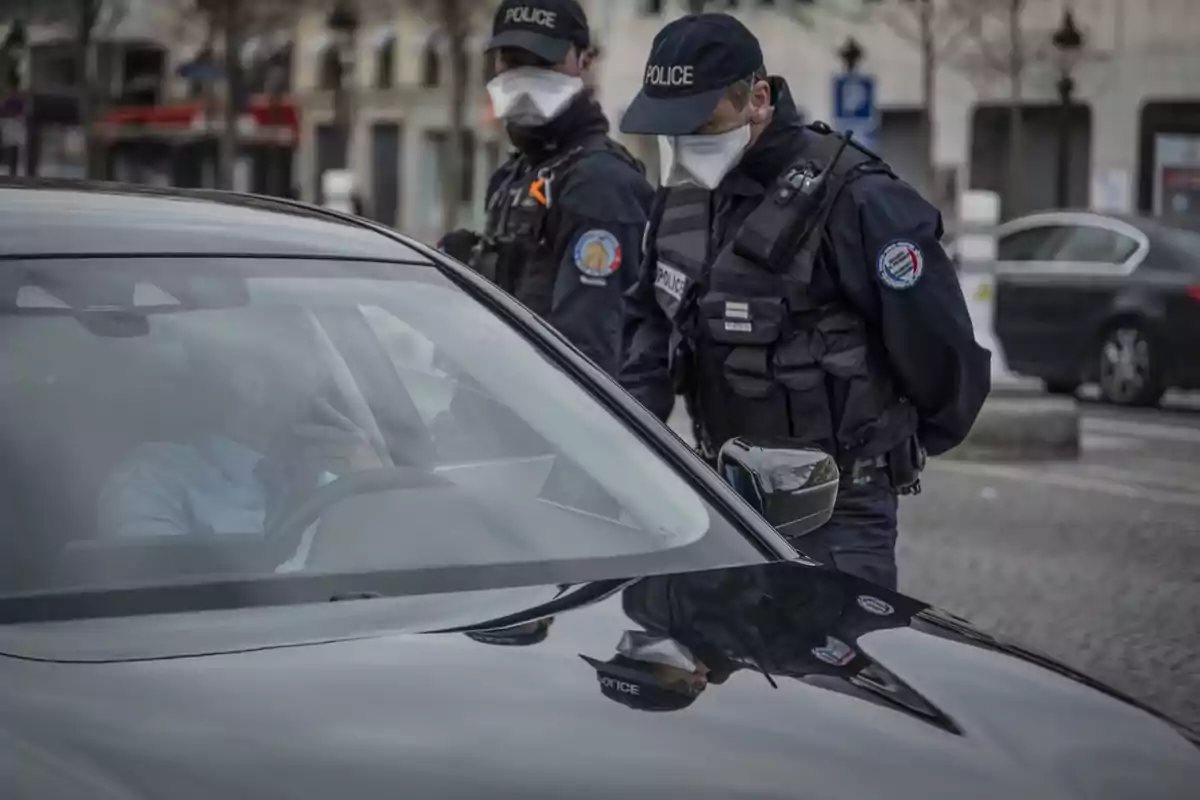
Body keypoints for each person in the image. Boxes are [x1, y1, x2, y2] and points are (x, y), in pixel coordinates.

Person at [617, 14, 991, 590]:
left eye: (701, 122)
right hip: (720, 505)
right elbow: (649, 329)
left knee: (828, 678)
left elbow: (943, 355)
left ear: (758, 99)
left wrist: (883, 457)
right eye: (671, 130)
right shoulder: (682, 202)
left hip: (836, 515)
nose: (684, 144)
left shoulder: (857, 199)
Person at [438, 0, 654, 378]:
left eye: (543, 61)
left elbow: (588, 358)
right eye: (512, 60)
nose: (524, 75)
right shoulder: (516, 175)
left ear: (585, 63)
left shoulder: (599, 183)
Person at [97, 313, 387, 540]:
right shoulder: (154, 480)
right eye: (310, 359)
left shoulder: (342, 471)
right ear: (252, 384)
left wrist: (374, 488)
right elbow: (155, 599)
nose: (326, 376)